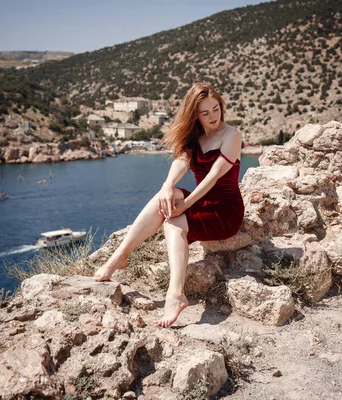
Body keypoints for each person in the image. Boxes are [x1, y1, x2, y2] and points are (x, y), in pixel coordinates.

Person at [94, 82, 244, 327]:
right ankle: (120, 256)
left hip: (224, 211)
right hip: (200, 200)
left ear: (221, 106)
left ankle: (176, 295)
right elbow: (181, 161)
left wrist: (184, 204)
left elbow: (213, 177)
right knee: (163, 197)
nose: (213, 116)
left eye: (215, 109)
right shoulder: (195, 136)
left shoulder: (231, 134)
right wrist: (167, 186)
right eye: (205, 113)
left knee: (173, 224)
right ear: (195, 115)